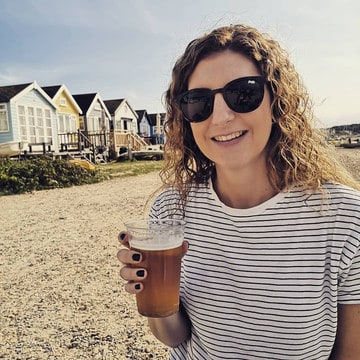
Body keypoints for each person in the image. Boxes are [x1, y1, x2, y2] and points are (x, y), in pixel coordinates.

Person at [117, 24, 360, 359]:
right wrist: (154, 294)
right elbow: (174, 339)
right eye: (198, 102)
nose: (220, 117)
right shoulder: (171, 208)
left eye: (243, 93)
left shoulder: (344, 218)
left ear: (278, 101)